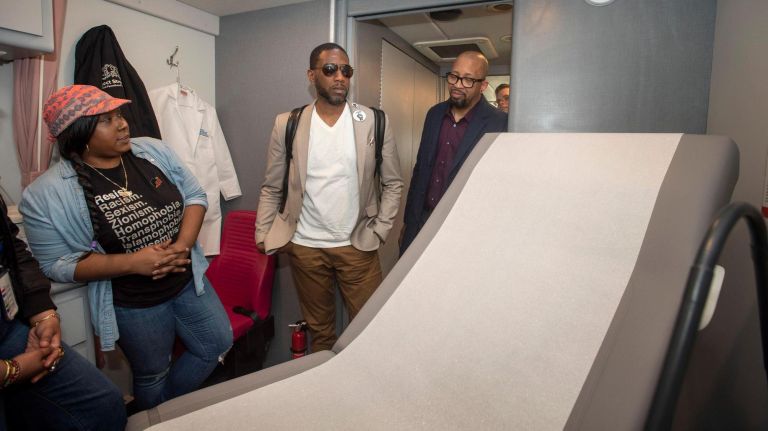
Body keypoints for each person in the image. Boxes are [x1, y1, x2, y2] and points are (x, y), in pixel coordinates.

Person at [19, 85, 232, 411]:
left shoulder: (153, 152)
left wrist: (184, 245)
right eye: (107, 120)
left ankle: (162, 413)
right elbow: (56, 264)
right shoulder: (45, 194)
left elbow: (195, 195)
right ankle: (158, 418)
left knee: (216, 342)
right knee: (153, 374)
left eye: (119, 114)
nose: (122, 124)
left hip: (188, 282)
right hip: (134, 305)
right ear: (79, 135)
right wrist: (133, 263)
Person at [256, 43, 403, 352]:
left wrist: (380, 229)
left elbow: (393, 183)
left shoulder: (374, 121)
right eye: (330, 70)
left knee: (370, 330)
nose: (340, 77)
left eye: (346, 71)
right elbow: (272, 186)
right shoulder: (288, 123)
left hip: (358, 247)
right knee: (321, 335)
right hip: (307, 249)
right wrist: (264, 232)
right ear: (312, 75)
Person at [0, 194, 126, 430]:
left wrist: (43, 313)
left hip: (7, 327)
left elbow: (12, 248)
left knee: (103, 406)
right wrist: (11, 370)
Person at [400, 51, 508, 254]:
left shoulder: (499, 122)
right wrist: (409, 222)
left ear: (483, 86)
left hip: (466, 230)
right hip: (422, 221)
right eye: (454, 76)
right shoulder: (434, 114)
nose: (458, 84)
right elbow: (420, 170)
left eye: (468, 80)